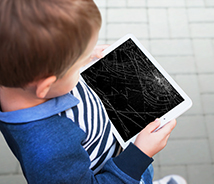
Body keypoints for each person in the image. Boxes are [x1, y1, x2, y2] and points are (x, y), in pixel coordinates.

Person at [0, 0, 184, 183]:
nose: (87, 60)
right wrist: (140, 155)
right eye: (80, 62)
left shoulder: (13, 77)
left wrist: (77, 56)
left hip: (113, 140)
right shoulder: (50, 150)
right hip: (119, 171)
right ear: (46, 85)